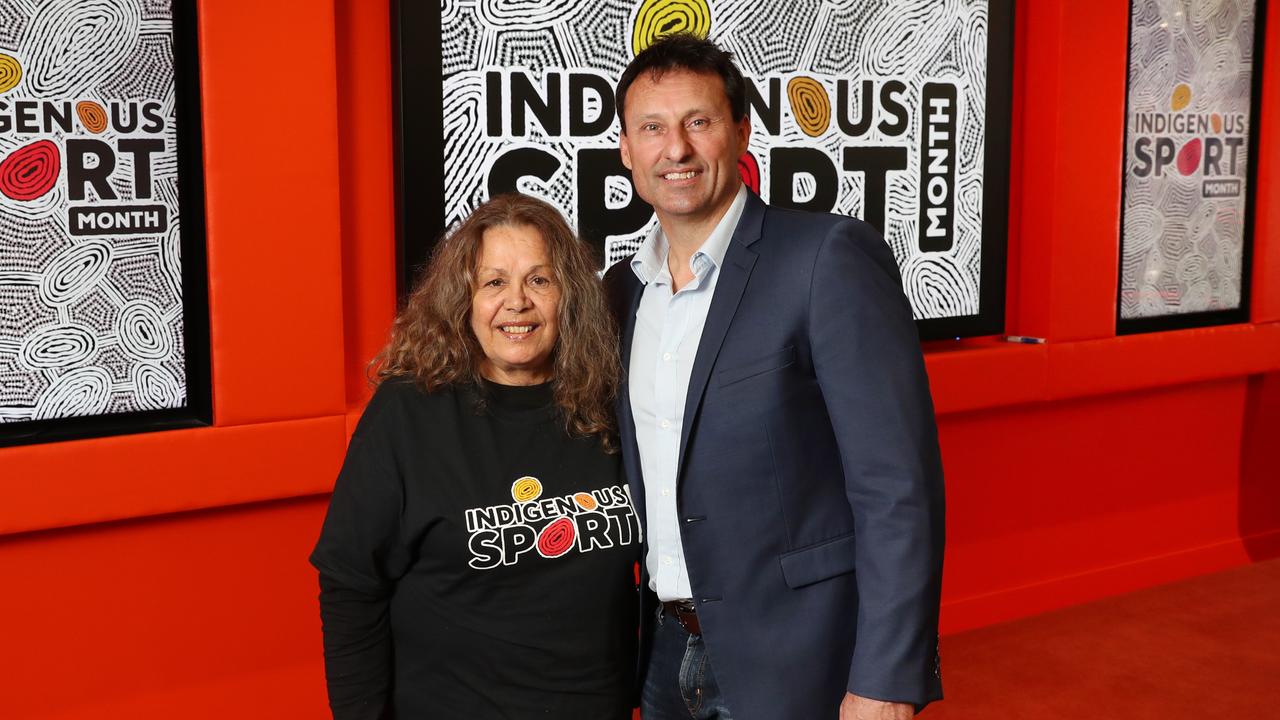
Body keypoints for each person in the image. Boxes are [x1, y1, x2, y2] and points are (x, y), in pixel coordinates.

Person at [604, 35, 946, 720]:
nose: (676, 149)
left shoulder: (825, 259)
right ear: (626, 150)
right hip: (664, 651)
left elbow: (897, 487)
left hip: (798, 659)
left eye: (698, 122)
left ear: (740, 132)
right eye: (652, 128)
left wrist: (887, 676)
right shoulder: (620, 291)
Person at [310, 193, 641, 719]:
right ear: (463, 299)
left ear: (569, 296)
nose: (517, 302)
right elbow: (351, 584)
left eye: (539, 280)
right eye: (494, 283)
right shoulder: (409, 412)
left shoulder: (609, 403)